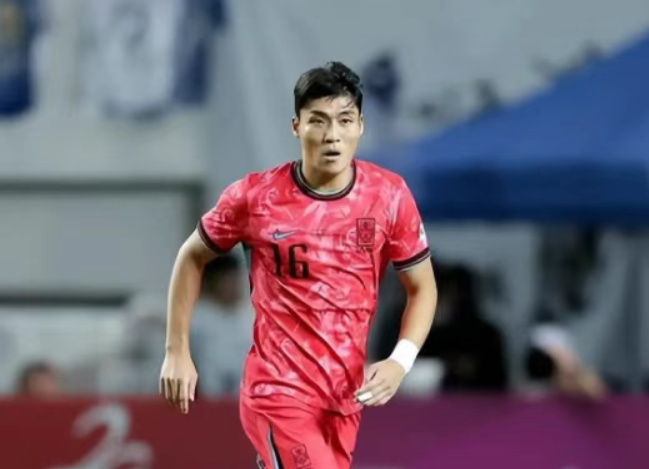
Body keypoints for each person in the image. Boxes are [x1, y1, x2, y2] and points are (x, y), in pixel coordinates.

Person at [159, 61, 437, 469]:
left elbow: (422, 287)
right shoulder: (255, 197)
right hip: (278, 391)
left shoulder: (389, 196)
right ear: (296, 126)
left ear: (360, 126)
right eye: (318, 121)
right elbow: (191, 256)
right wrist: (176, 351)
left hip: (345, 397)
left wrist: (400, 361)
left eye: (344, 120)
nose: (332, 135)